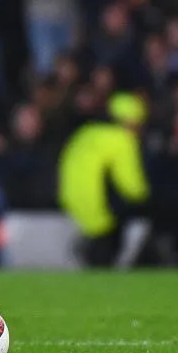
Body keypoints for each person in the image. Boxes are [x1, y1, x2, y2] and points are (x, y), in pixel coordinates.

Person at [58, 92, 149, 267]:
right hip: (99, 209)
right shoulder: (122, 140)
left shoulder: (85, 132)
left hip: (70, 204)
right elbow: (131, 186)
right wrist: (149, 198)